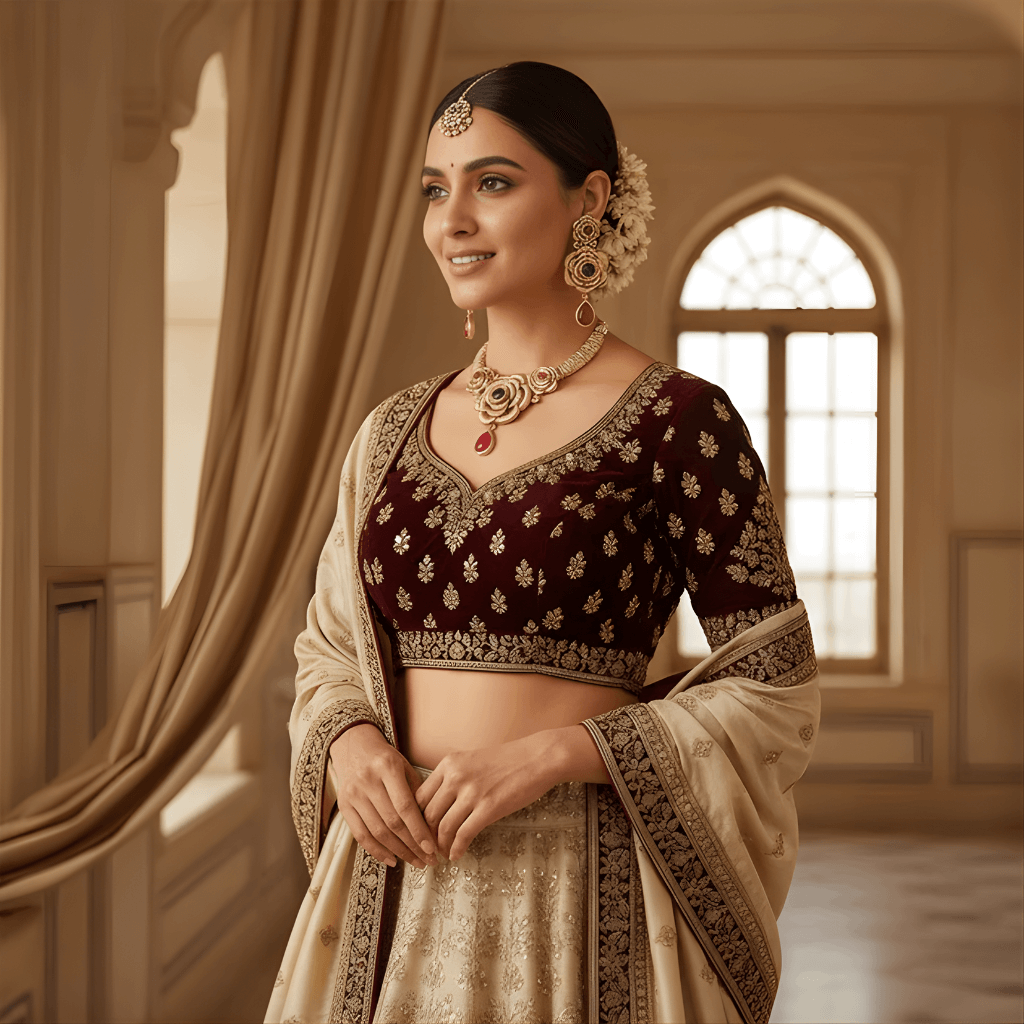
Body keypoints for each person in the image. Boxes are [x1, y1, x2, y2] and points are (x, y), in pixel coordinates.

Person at [266, 61, 819, 1024]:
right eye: (436, 191)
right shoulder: (386, 434)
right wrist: (348, 742)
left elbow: (770, 682)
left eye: (493, 182)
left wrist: (558, 754)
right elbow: (328, 651)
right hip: (389, 894)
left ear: (589, 198)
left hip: (578, 895)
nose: (453, 221)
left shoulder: (679, 422)